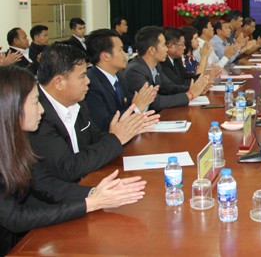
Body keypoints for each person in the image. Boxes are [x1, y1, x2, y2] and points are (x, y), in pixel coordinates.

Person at [0, 66, 147, 255]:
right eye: (36, 102)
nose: (42, 110)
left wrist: (95, 193)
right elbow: (15, 218)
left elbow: (46, 184)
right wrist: (89, 204)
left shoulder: (17, 140)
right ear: (12, 107)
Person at [30, 43, 158, 182]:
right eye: (82, 76)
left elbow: (95, 138)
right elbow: (67, 168)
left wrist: (126, 132)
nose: (88, 81)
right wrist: (115, 139)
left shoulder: (78, 103)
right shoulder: (37, 115)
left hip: (88, 179)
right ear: (59, 82)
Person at [85, 29, 158, 131]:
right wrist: (136, 108)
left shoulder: (119, 76)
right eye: (120, 50)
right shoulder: (90, 84)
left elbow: (128, 106)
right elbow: (105, 125)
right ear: (106, 56)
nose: (125, 54)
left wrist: (144, 102)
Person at [124, 26, 210, 111]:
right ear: (152, 50)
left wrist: (194, 89)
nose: (166, 49)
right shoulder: (135, 71)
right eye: (163, 45)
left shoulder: (156, 66)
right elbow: (155, 102)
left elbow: (169, 87)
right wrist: (190, 94)